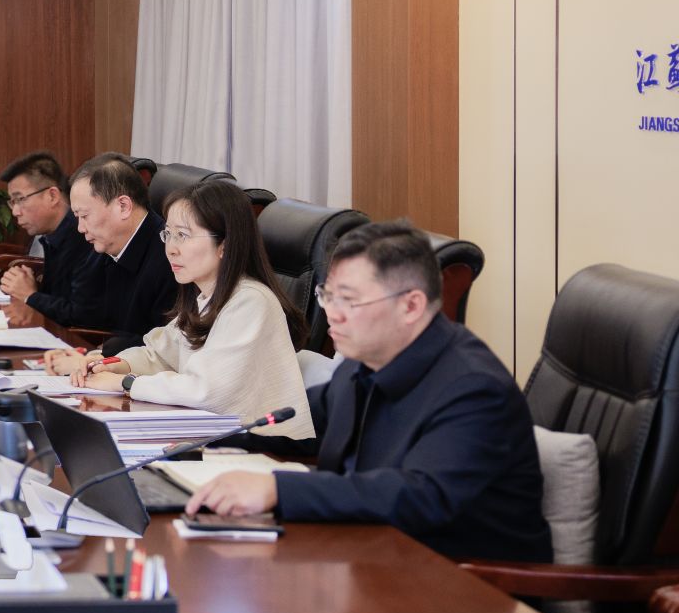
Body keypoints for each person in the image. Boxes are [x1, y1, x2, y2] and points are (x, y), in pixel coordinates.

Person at [185, 222, 552, 564]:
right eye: (328, 296)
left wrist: (277, 489)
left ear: (411, 305)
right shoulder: (364, 362)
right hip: (372, 554)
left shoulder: (473, 388)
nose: (332, 314)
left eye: (349, 300)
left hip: (464, 586)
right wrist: (203, 440)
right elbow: (304, 421)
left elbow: (420, 495)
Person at [59, 179, 313, 439]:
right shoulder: (205, 297)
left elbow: (207, 391)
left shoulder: (251, 302)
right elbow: (160, 355)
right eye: (168, 234)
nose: (171, 249)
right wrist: (113, 364)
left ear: (224, 245)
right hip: (216, 439)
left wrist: (126, 383)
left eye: (182, 235)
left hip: (267, 450)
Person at [42, 154, 176, 347]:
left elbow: (164, 348)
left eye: (84, 216)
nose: (80, 228)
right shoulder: (106, 245)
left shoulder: (171, 259)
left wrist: (99, 354)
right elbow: (85, 314)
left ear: (123, 206)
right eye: (77, 217)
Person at [0, 151, 99, 323]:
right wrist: (30, 287)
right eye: (12, 202)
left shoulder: (84, 237)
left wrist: (30, 295)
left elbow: (82, 316)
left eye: (20, 199)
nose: (15, 212)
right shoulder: (54, 236)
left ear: (52, 196)